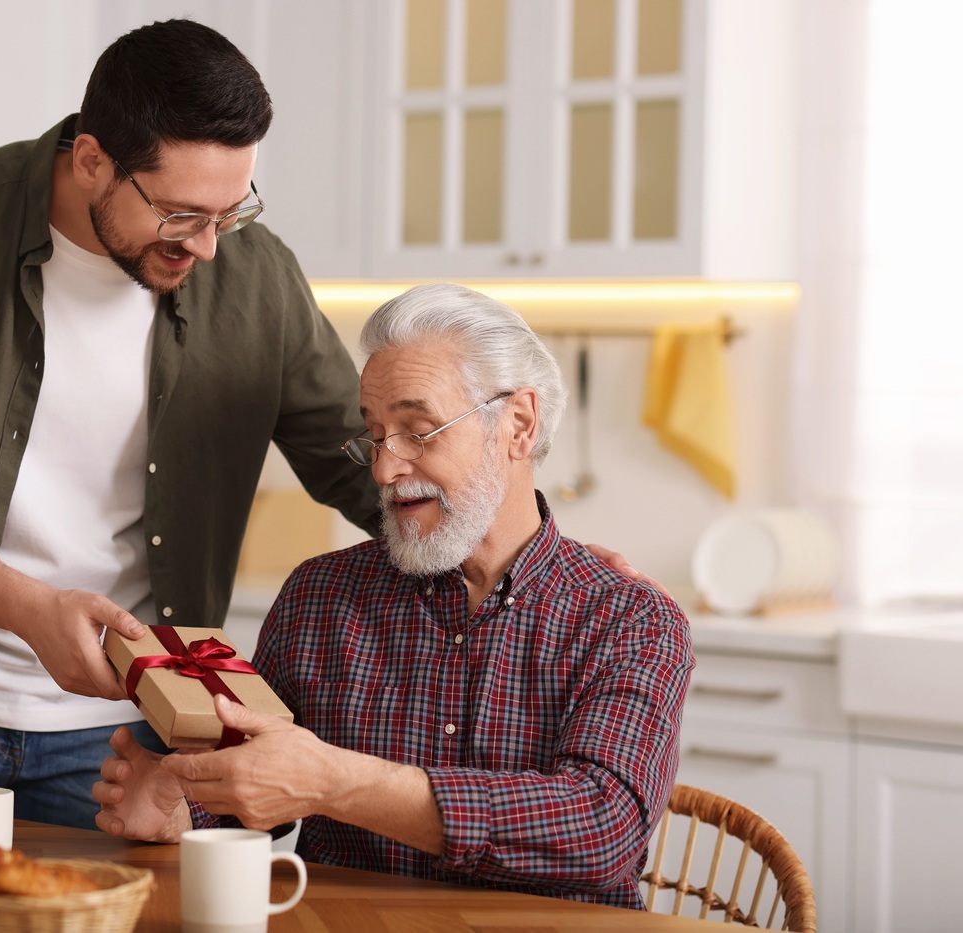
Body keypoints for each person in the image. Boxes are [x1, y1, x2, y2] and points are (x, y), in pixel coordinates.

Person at [0, 19, 382, 831]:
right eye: (182, 214)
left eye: (232, 211)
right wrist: (31, 610)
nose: (210, 248)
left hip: (129, 746)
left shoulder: (258, 278)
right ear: (91, 162)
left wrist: (536, 544)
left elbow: (362, 460)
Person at [94, 283, 696, 910]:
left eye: (417, 430)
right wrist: (183, 809)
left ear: (518, 424)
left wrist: (336, 782)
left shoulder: (631, 618)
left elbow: (601, 828)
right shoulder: (319, 596)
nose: (384, 469)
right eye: (376, 435)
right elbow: (259, 783)